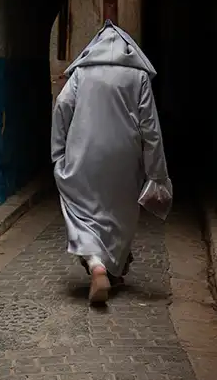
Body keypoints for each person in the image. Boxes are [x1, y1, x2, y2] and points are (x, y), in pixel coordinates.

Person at [51, 20, 170, 304]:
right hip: (125, 159)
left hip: (84, 155)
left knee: (81, 212)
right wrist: (157, 174)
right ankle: (111, 268)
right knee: (118, 217)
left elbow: (62, 107)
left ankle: (96, 266)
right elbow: (150, 128)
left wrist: (58, 153)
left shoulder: (81, 72)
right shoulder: (138, 77)